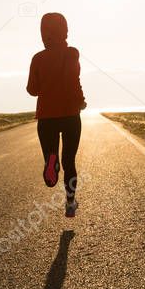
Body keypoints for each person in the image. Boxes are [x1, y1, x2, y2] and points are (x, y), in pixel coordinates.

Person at [27, 12, 86, 217]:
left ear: (43, 33)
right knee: (69, 160)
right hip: (70, 115)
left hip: (46, 118)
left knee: (52, 155)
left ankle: (51, 160)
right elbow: (74, 80)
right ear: (65, 30)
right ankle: (70, 203)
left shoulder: (38, 58)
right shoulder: (71, 53)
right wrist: (80, 100)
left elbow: (32, 90)